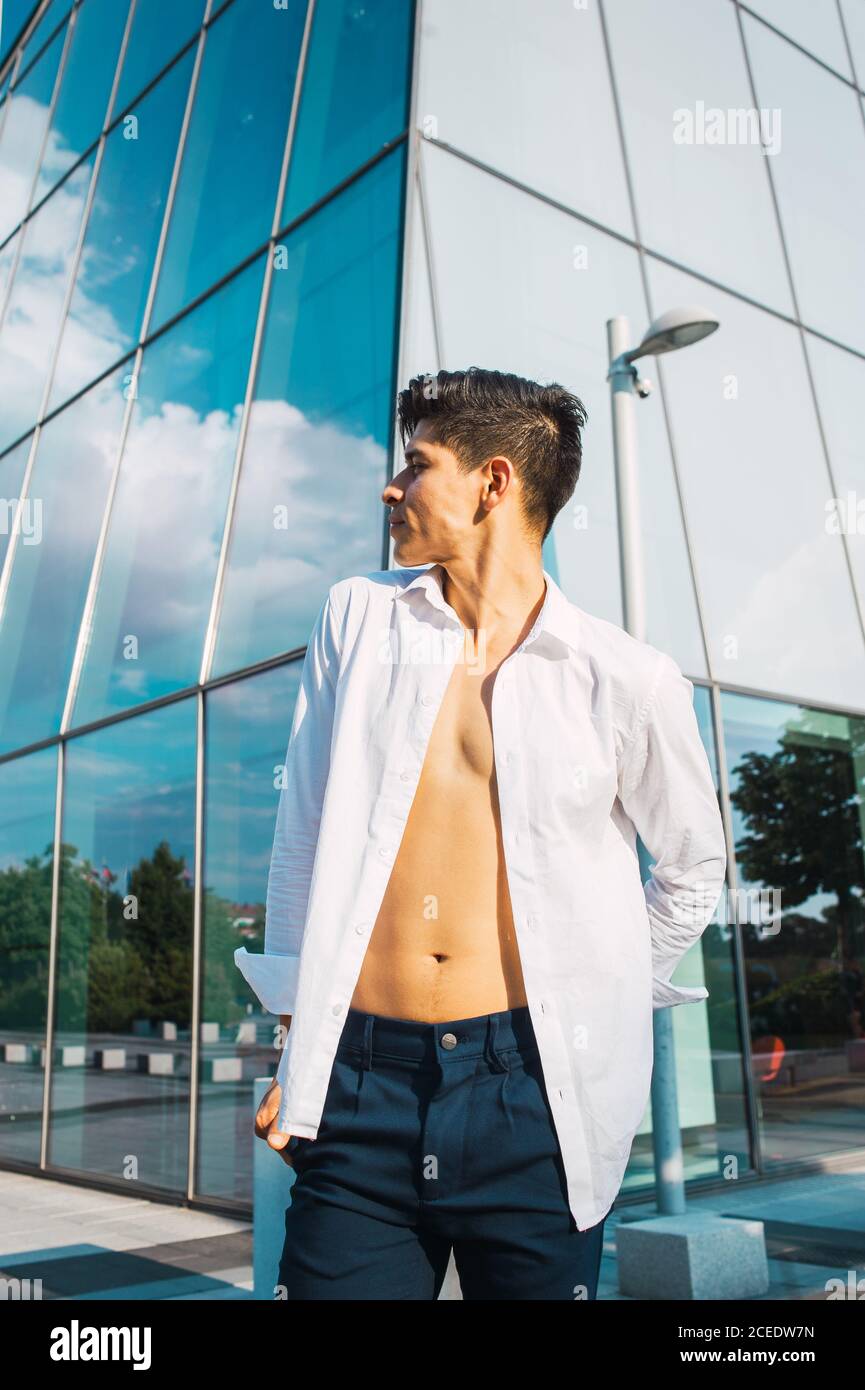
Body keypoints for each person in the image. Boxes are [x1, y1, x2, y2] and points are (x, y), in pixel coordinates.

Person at [235, 366, 728, 1301]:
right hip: (360, 1083)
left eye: (415, 465)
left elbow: (693, 866)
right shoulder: (359, 616)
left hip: (534, 1094)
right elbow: (301, 835)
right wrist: (302, 1045)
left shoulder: (624, 677)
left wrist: (601, 985)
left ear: (493, 482)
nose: (391, 486)